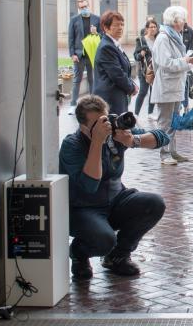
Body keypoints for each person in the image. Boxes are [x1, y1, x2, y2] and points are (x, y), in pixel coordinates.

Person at [59, 95, 169, 279]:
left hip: (116, 199)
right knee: (105, 239)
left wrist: (133, 140)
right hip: (83, 209)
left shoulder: (113, 132)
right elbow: (90, 185)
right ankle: (79, 252)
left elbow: (162, 137)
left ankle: (117, 256)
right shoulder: (72, 145)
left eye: (105, 119)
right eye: (97, 124)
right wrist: (97, 142)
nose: (105, 127)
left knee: (154, 203)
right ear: (83, 125)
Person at [151, 6, 193, 164]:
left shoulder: (175, 36)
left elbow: (175, 60)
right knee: (165, 122)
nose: (184, 22)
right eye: (182, 19)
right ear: (175, 21)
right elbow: (166, 63)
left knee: (174, 121)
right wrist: (185, 61)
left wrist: (187, 60)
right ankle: (164, 154)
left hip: (175, 85)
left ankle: (173, 151)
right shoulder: (163, 38)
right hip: (166, 86)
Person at [93, 11, 137, 115]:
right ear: (106, 27)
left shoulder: (113, 44)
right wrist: (131, 88)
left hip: (116, 96)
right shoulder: (107, 46)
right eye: (116, 25)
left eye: (122, 25)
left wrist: (132, 84)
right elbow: (117, 74)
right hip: (110, 99)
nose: (120, 28)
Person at [68, 0, 101, 113]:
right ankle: (73, 104)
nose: (84, 9)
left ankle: (93, 104)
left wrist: (96, 33)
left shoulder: (97, 19)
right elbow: (71, 38)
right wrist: (72, 54)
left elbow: (103, 36)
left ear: (89, 6)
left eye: (85, 6)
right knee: (77, 79)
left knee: (93, 80)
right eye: (81, 7)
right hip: (79, 55)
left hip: (92, 54)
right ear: (79, 8)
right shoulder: (74, 20)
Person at [133, 18, 158, 118]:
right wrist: (141, 54)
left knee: (153, 92)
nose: (153, 29)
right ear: (147, 29)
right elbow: (136, 56)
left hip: (155, 70)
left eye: (155, 27)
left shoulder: (158, 39)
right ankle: (136, 114)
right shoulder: (141, 40)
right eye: (151, 27)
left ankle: (150, 113)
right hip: (144, 70)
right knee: (143, 91)